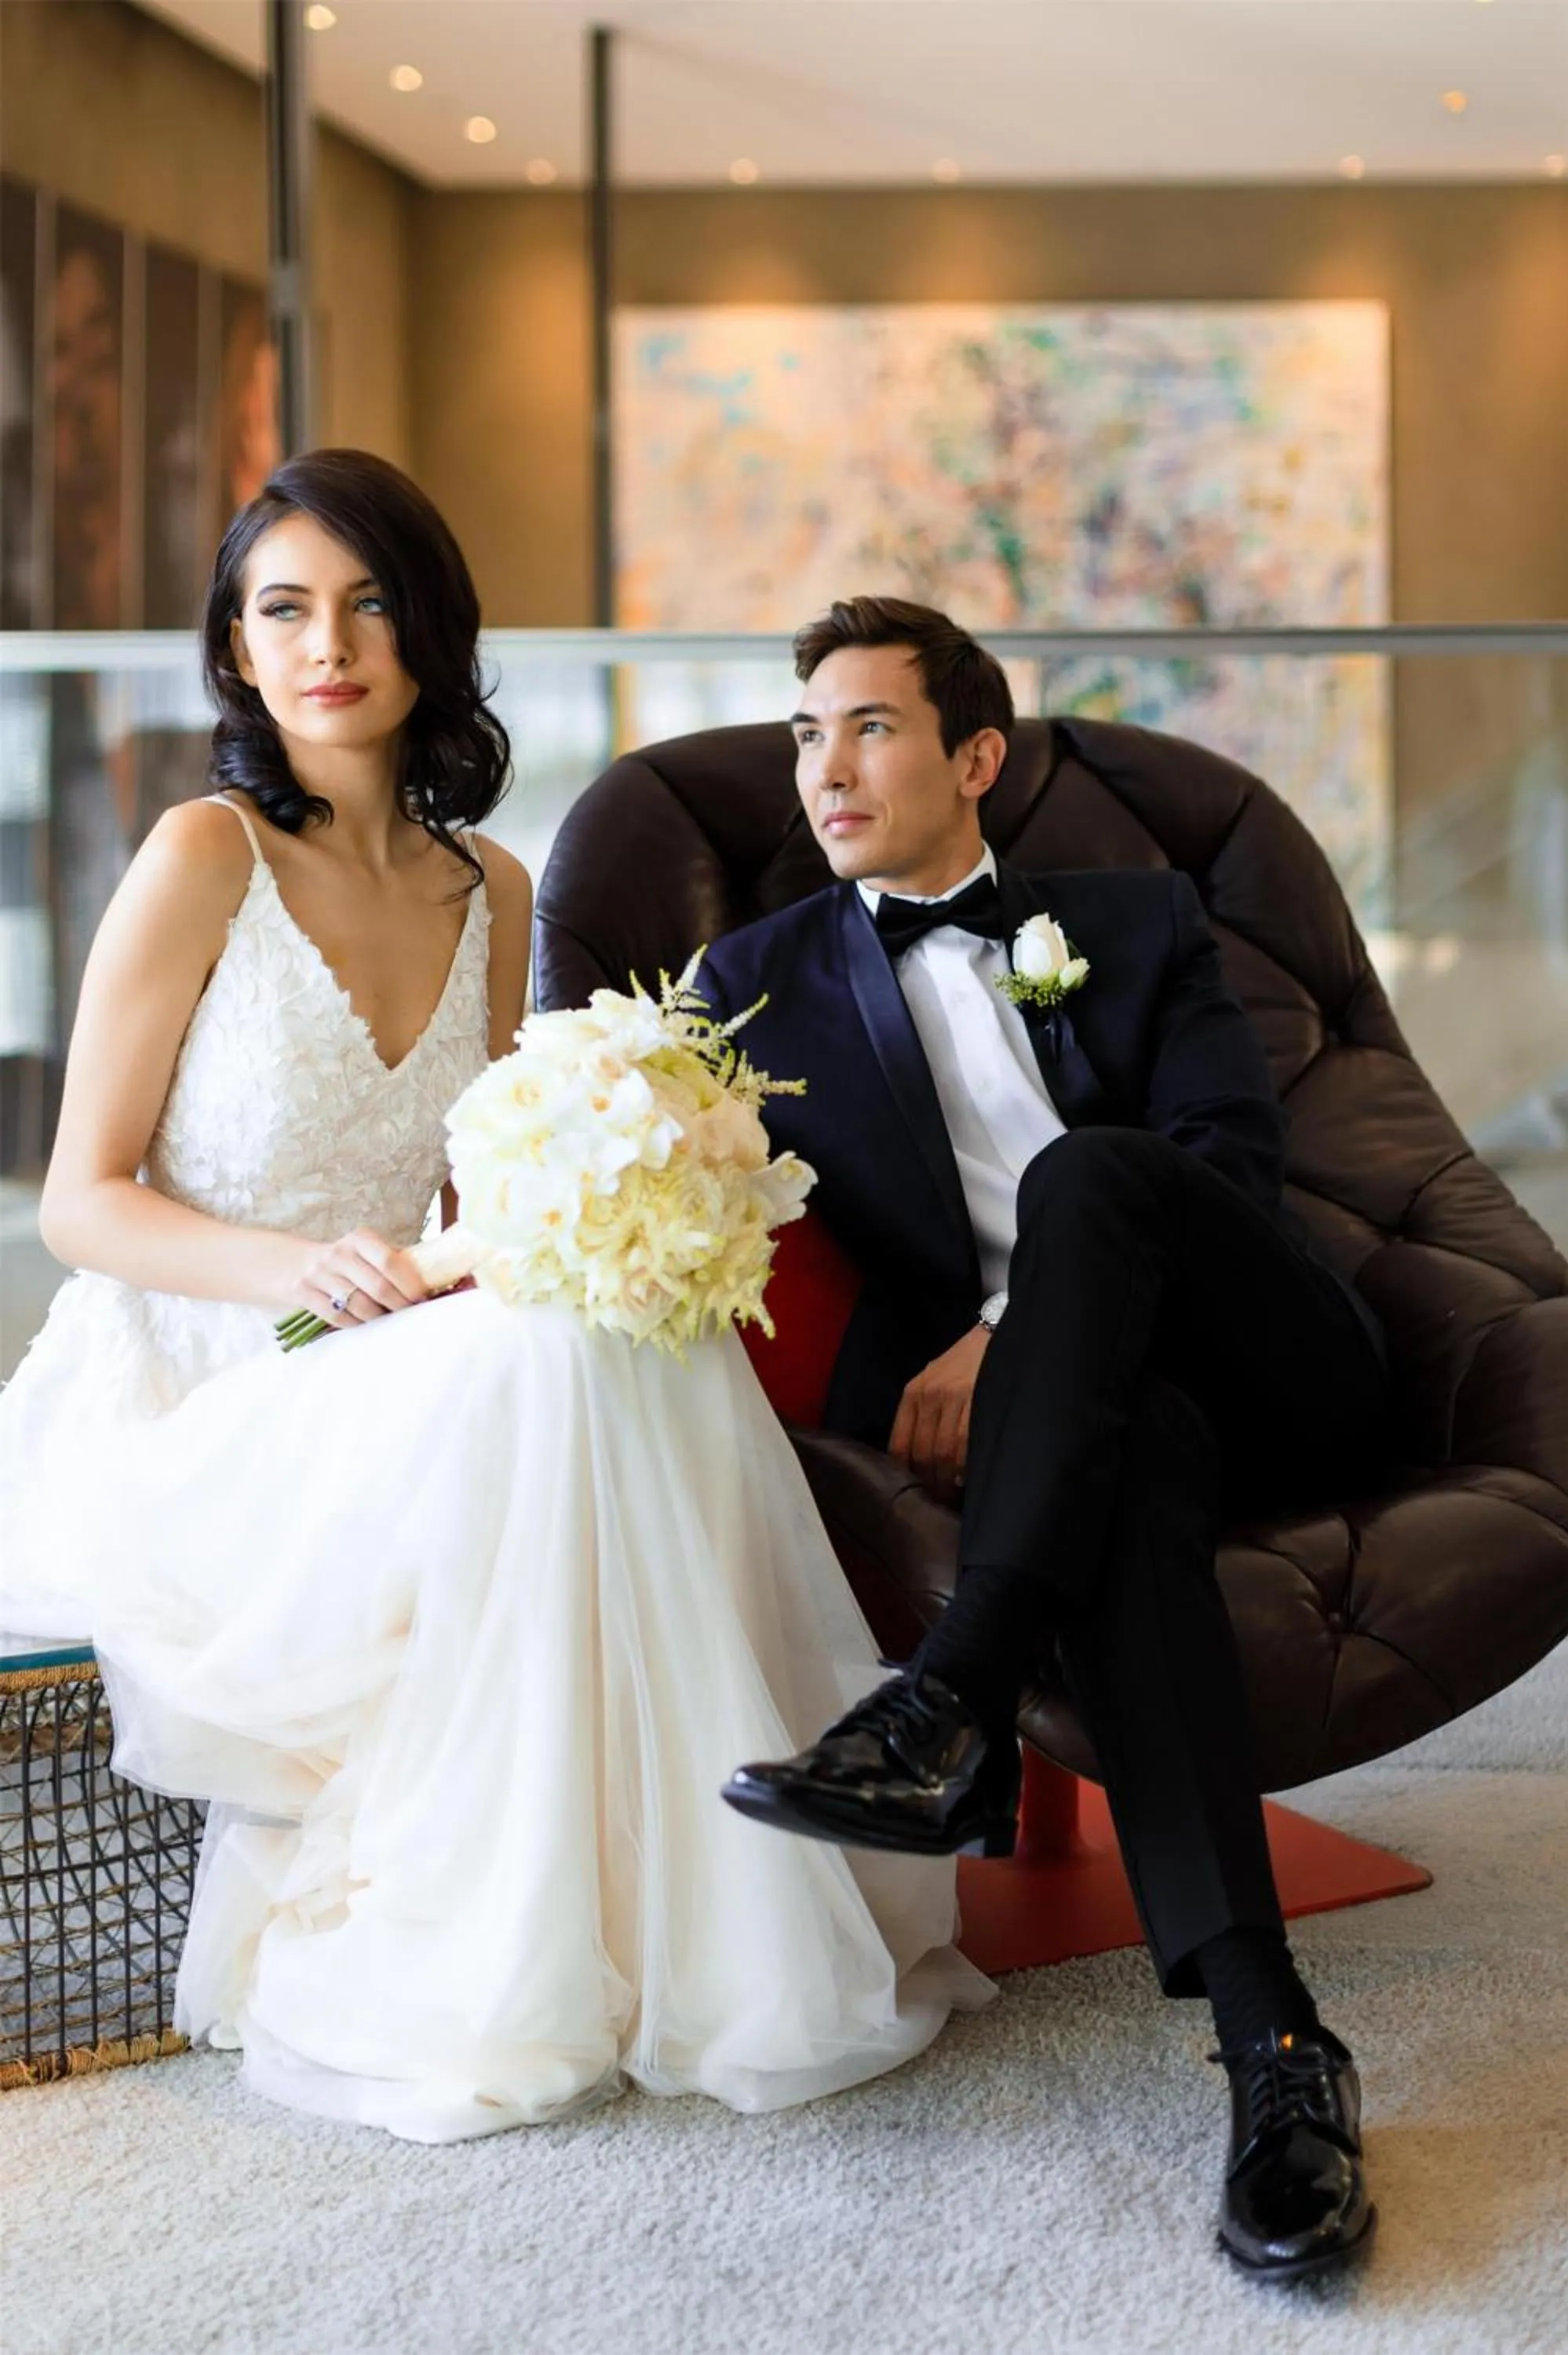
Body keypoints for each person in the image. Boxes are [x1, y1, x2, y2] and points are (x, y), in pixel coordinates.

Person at [0, 466, 988, 2141]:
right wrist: (291, 1271)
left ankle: (689, 1927)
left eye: (369, 604)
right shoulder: (198, 856)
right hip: (203, 1384)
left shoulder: (495, 890)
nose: (329, 646)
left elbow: (489, 1187)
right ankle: (523, 1950)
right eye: (284, 610)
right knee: (553, 1365)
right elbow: (81, 1202)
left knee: (617, 1328)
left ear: (429, 633)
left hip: (404, 1346)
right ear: (237, 652)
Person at [705, 597, 1391, 2280]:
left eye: (869, 725)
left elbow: (1228, 1171)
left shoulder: (1137, 919)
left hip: (1270, 1364)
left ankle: (949, 1694)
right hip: (1088, 1436)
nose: (827, 765)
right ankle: (1274, 2050)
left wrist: (1007, 1330)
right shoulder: (749, 986)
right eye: (807, 732)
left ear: (977, 758)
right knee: (1126, 1461)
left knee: (1088, 1172)